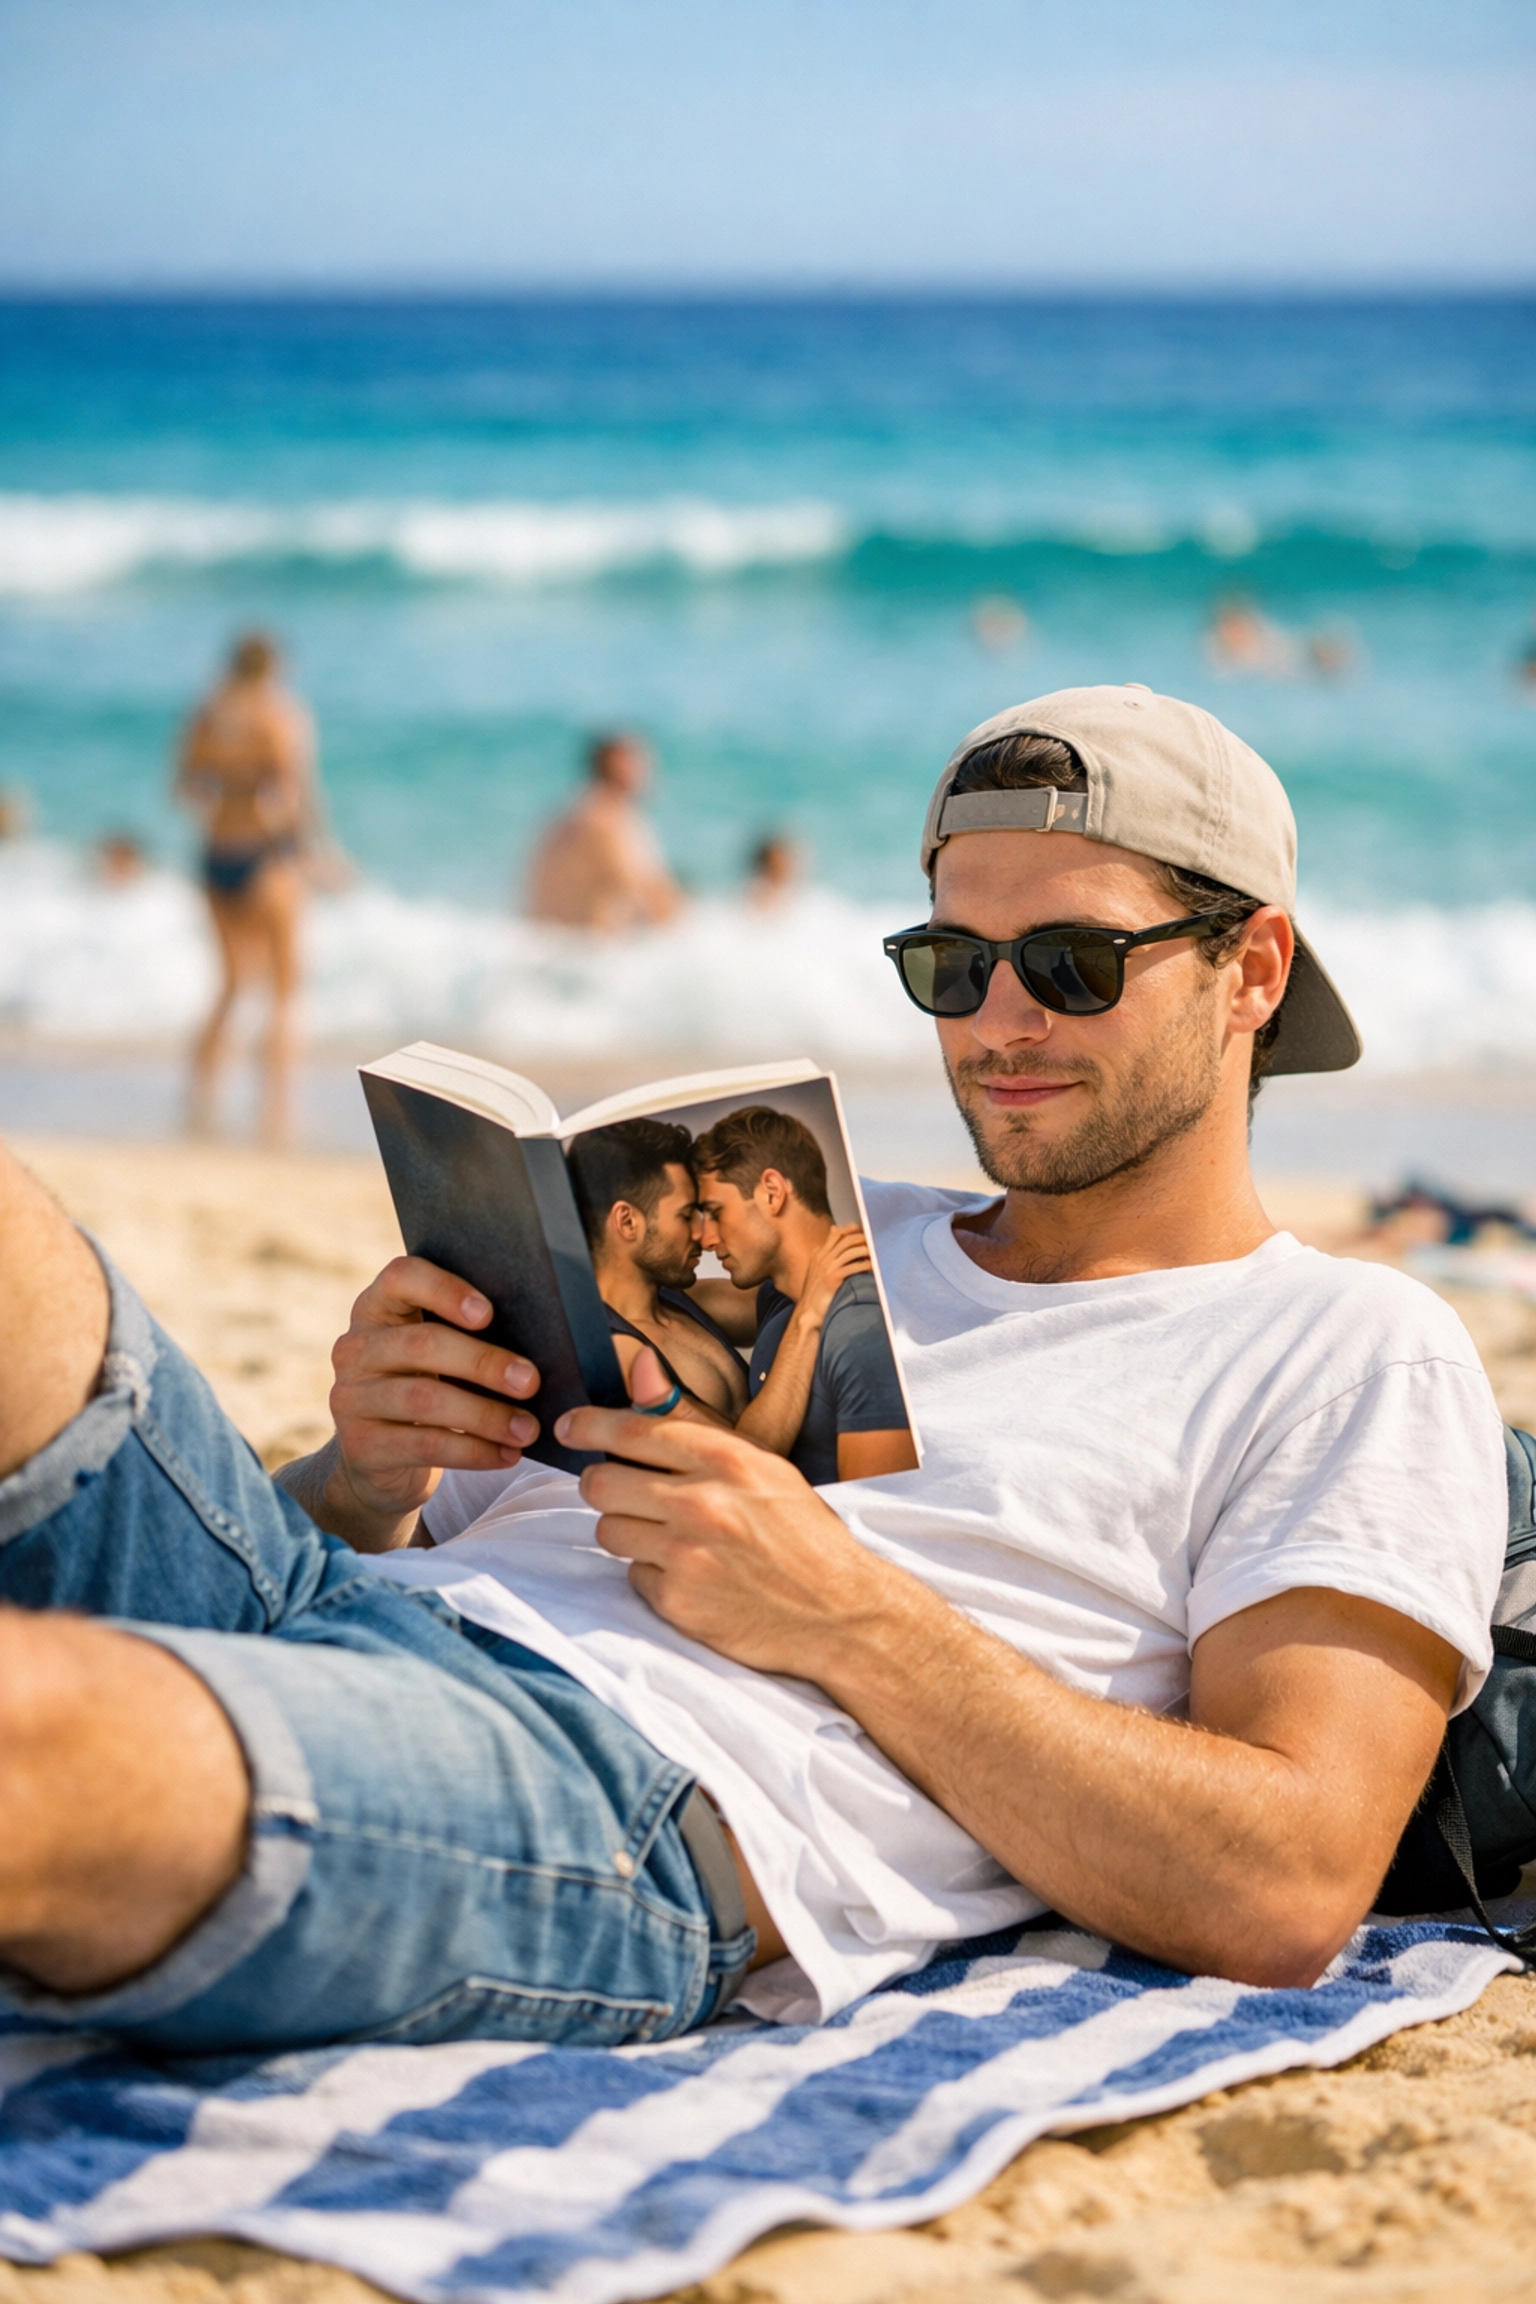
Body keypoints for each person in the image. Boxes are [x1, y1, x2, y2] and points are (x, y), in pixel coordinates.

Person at [0, 684, 1507, 2054]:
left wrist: (851, 1619)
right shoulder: (837, 1227)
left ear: (1251, 973)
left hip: (616, 1790)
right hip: (346, 1614)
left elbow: (1290, 1881)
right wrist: (370, 1472)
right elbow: (357, 1571)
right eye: (952, 964)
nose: (998, 1021)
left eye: (1071, 961)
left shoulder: (1354, 1348)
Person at [566, 1116, 879, 1460]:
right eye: (687, 1216)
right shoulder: (618, 1353)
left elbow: (801, 1276)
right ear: (628, 1222)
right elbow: (746, 1461)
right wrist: (807, 1319)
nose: (703, 1234)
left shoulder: (686, 1301)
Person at [690, 1106, 917, 1483]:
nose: (708, 1238)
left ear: (772, 1193)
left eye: (716, 1212)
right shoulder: (781, 1300)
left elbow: (878, 1520)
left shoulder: (861, 1328)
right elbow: (687, 1301)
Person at [173, 633, 320, 1146]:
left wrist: (228, 794)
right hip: (264, 858)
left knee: (231, 985)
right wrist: (315, 854)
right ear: (273, 667)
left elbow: (185, 790)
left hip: (216, 856)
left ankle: (198, 1101)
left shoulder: (207, 716)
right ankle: (277, 1115)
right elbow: (294, 793)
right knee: (284, 991)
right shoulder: (279, 716)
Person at [526, 734, 682, 932]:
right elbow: (652, 896)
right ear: (622, 766)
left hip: (546, 942)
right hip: (582, 952)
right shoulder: (607, 820)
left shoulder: (568, 815)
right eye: (642, 761)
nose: (650, 770)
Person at [743, 833, 802, 912]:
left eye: (784, 863)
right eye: (775, 865)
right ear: (764, 868)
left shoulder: (796, 893)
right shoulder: (758, 896)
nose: (782, 869)